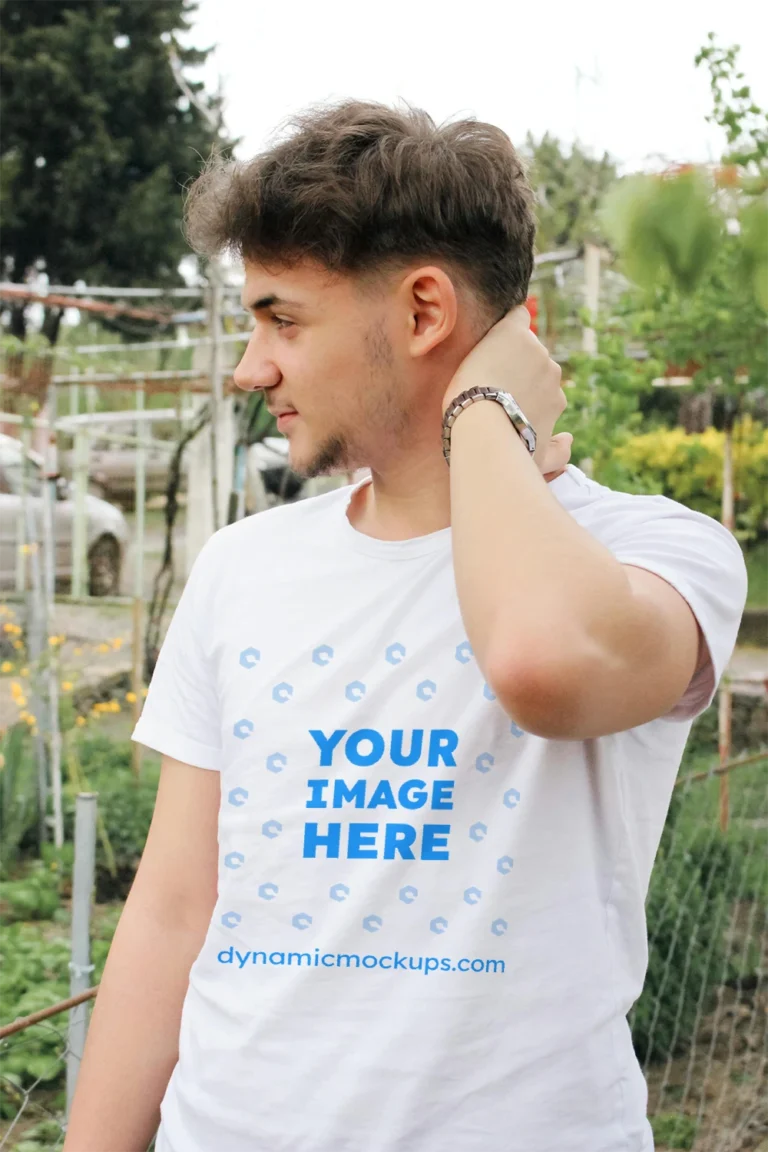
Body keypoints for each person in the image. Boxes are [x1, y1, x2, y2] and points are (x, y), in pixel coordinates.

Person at [63, 101, 747, 1152]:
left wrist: (482, 418)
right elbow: (170, 910)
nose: (253, 368)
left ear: (425, 311)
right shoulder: (245, 567)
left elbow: (537, 661)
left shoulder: (660, 553)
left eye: (284, 320)